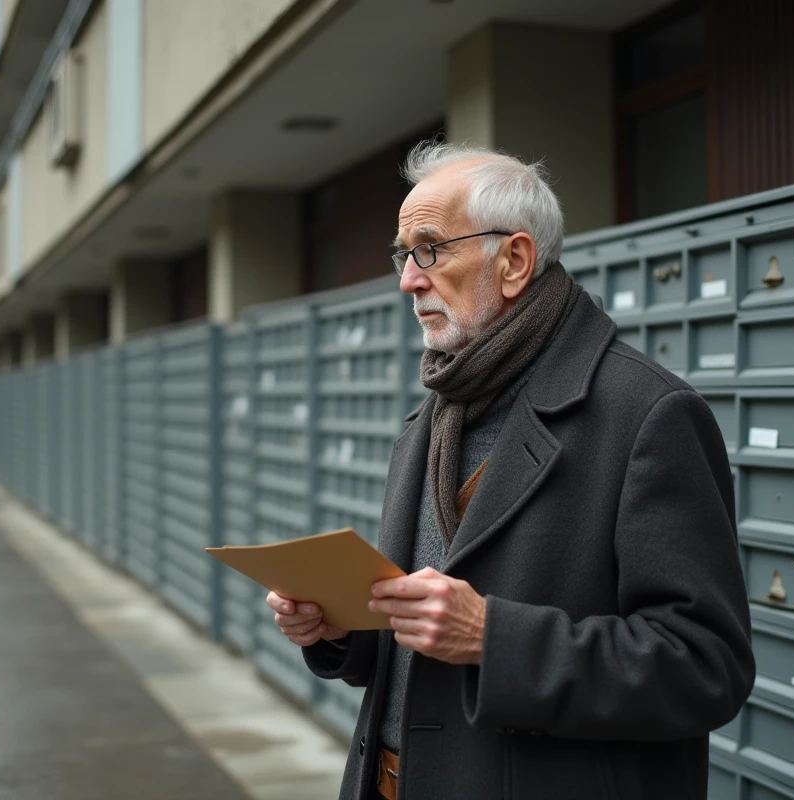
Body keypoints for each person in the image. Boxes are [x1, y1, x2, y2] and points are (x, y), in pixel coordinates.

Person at [266, 141, 755, 800]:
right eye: (402, 254)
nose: (409, 279)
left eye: (431, 249)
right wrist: (340, 628)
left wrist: (493, 637)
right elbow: (417, 650)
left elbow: (705, 667)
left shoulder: (647, 414)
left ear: (515, 260)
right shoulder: (430, 422)